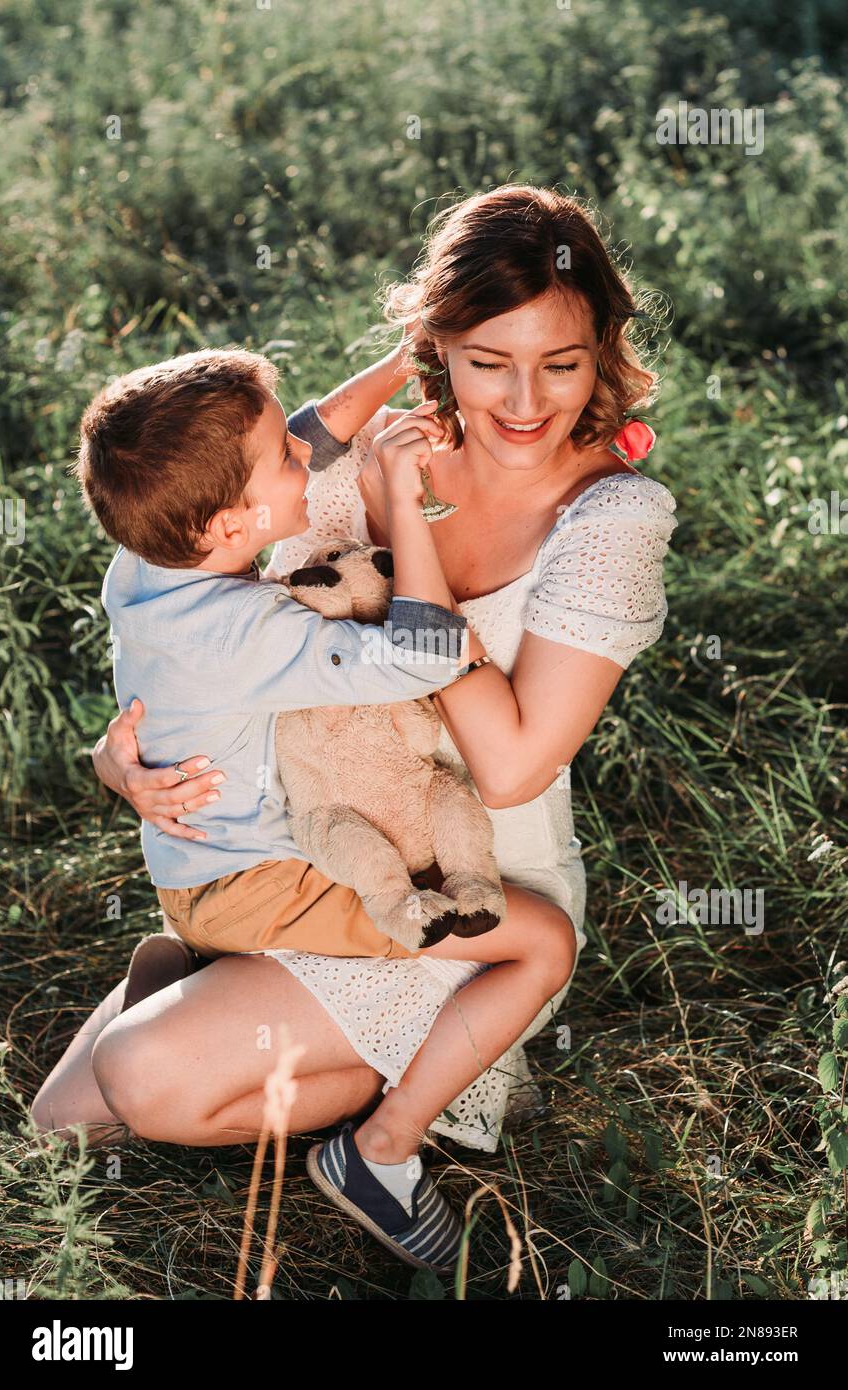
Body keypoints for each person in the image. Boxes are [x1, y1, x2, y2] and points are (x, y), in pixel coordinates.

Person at [33, 184, 677, 1274]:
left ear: (602, 349)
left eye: (560, 364)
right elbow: (208, 567)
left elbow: (513, 767)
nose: (523, 399)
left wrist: (405, 552)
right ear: (438, 346)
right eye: (485, 360)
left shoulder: (613, 517)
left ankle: (379, 1096)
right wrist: (123, 755)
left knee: (145, 1084)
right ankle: (285, 1028)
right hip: (301, 846)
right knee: (60, 1123)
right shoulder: (369, 451)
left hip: (460, 884)